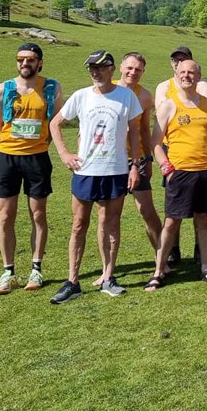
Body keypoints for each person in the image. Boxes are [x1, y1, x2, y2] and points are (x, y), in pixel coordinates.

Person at [48, 51, 143, 304]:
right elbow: (55, 123)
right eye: (91, 67)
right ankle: (72, 282)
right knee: (79, 225)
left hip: (116, 170)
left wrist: (135, 165)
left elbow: (134, 133)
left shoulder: (127, 96)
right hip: (86, 171)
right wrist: (64, 153)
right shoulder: (81, 96)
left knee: (111, 223)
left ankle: (109, 277)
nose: (95, 72)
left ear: (112, 69)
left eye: (100, 67)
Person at [0, 43, 62, 294]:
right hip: (7, 158)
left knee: (38, 215)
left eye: (30, 60)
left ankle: (36, 269)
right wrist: (12, 143)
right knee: (5, 216)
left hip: (37, 159)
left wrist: (40, 143)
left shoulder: (51, 88)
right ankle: (8, 272)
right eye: (20, 59)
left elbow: (55, 122)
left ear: (40, 63)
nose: (24, 64)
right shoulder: (3, 89)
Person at [149, 59, 207, 287]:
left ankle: (205, 267)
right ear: (176, 74)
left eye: (191, 72)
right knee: (172, 223)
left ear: (198, 77)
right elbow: (155, 142)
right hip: (180, 172)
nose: (187, 76)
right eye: (182, 72)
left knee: (204, 220)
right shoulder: (168, 105)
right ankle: (158, 270)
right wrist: (166, 167)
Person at [117, 52, 163, 282]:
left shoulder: (145, 96)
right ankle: (109, 269)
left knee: (147, 210)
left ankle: (162, 258)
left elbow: (145, 129)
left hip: (137, 159)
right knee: (108, 216)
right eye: (130, 68)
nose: (133, 73)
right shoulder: (109, 89)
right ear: (120, 68)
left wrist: (148, 158)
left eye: (138, 70)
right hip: (112, 161)